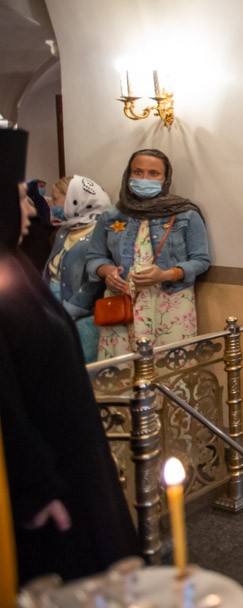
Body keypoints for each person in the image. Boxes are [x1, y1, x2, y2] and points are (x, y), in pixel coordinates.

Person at [0, 128, 139, 585]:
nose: (32, 209)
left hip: (73, 454)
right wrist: (36, 485)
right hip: (48, 477)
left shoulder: (13, 264)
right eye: (20, 197)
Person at [85, 149, 211, 360]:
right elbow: (94, 257)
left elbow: (201, 260)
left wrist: (166, 274)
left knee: (168, 366)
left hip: (170, 302)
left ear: (165, 178)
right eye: (138, 172)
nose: (145, 178)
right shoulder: (111, 216)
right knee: (122, 369)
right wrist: (107, 271)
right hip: (122, 302)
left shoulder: (185, 213)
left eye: (154, 173)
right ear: (128, 175)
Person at [45, 176, 113, 363]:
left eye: (55, 198)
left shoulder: (100, 233)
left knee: (83, 364)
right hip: (56, 308)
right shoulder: (64, 231)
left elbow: (96, 281)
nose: (52, 204)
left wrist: (72, 309)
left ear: (72, 199)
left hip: (83, 315)